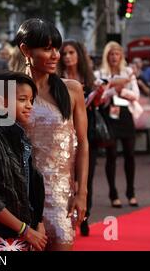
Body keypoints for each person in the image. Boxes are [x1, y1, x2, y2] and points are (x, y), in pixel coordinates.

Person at [16, 18, 88, 251]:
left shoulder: (72, 89)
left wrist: (82, 192)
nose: (55, 55)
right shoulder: (6, 91)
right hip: (20, 196)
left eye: (56, 48)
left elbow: (83, 143)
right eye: (47, 49)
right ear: (26, 50)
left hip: (60, 197)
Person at [0, 70, 47, 251]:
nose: (29, 106)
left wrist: (39, 221)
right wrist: (25, 230)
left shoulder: (22, 136)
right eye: (22, 100)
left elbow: (32, 187)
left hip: (27, 233)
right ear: (0, 102)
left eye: (31, 100)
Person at [94, 41, 141, 208]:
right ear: (107, 56)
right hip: (108, 115)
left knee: (130, 154)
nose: (114, 57)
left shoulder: (128, 72)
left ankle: (131, 193)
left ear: (121, 56)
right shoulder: (100, 73)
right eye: (111, 54)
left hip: (125, 114)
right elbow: (98, 98)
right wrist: (113, 89)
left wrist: (123, 91)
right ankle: (113, 194)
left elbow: (136, 95)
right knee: (111, 155)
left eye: (117, 54)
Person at [59, 39, 97, 237]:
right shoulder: (57, 79)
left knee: (85, 176)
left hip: (86, 129)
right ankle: (65, 216)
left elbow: (98, 104)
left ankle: (84, 215)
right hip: (64, 131)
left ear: (78, 55)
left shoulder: (89, 78)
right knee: (67, 176)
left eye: (71, 53)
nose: (67, 57)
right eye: (64, 53)